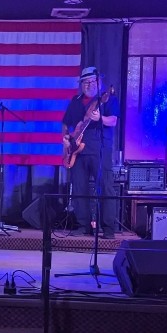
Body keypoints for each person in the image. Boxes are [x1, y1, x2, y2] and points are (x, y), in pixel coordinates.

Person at [61, 66, 120, 239]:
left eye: (92, 81)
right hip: (77, 152)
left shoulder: (107, 99)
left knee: (105, 189)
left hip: (99, 150)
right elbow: (66, 124)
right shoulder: (75, 101)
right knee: (79, 188)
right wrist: (65, 139)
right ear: (81, 84)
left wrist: (99, 118)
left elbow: (113, 121)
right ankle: (82, 225)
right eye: (85, 82)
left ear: (98, 82)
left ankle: (108, 229)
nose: (89, 85)